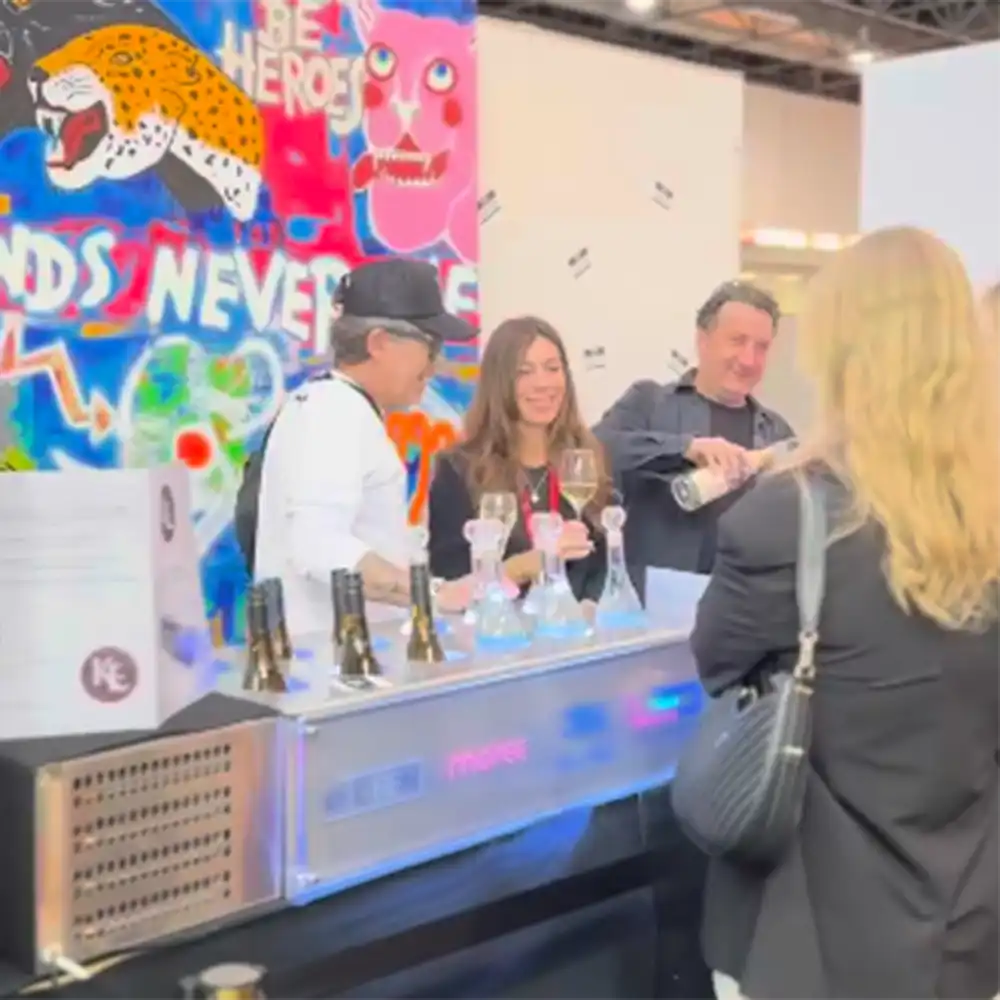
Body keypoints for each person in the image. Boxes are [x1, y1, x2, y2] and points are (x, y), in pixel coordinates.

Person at [692, 227, 1000, 1000]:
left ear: (838, 352)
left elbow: (718, 663)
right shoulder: (987, 518)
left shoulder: (785, 518)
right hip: (966, 926)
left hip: (809, 939)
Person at [254, 258, 476, 636]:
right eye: (430, 346)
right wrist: (432, 594)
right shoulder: (333, 412)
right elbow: (317, 544)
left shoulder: (340, 407)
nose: (434, 367)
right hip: (330, 657)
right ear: (379, 343)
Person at [594, 282, 794, 586]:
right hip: (656, 600)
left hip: (743, 602)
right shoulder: (649, 402)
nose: (748, 359)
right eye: (737, 341)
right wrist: (685, 448)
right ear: (703, 340)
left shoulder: (777, 434)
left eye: (761, 347)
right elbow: (593, 448)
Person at [427, 316, 608, 606]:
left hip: (577, 629)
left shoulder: (585, 459)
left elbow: (605, 561)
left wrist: (591, 605)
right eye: (524, 372)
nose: (543, 384)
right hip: (500, 629)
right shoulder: (459, 469)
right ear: (499, 383)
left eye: (553, 368)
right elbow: (450, 582)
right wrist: (523, 567)